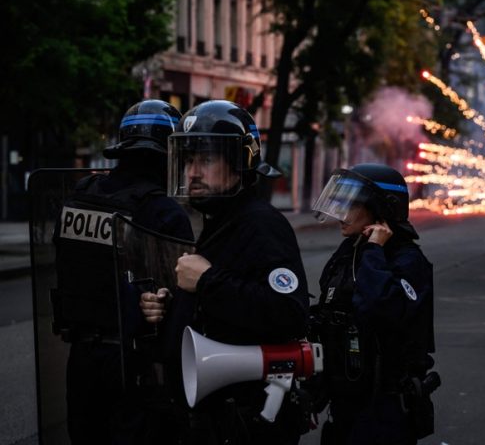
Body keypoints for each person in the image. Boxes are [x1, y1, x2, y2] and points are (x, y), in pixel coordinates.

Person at [139, 100, 310, 445]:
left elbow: (289, 313)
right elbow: (223, 308)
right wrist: (171, 308)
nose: (192, 172)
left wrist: (206, 281)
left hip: (248, 419)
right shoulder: (221, 222)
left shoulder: (261, 225)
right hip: (216, 417)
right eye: (188, 160)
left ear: (239, 163)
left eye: (206, 159)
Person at [53, 99, 194, 444]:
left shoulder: (81, 196)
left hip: (82, 358)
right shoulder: (164, 211)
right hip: (135, 364)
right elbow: (178, 300)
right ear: (170, 153)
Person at [310, 164, 439, 445]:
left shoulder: (406, 261)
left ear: (383, 209)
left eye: (352, 204)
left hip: (383, 407)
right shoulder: (349, 251)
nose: (342, 213)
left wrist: (374, 250)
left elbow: (380, 308)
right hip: (344, 399)